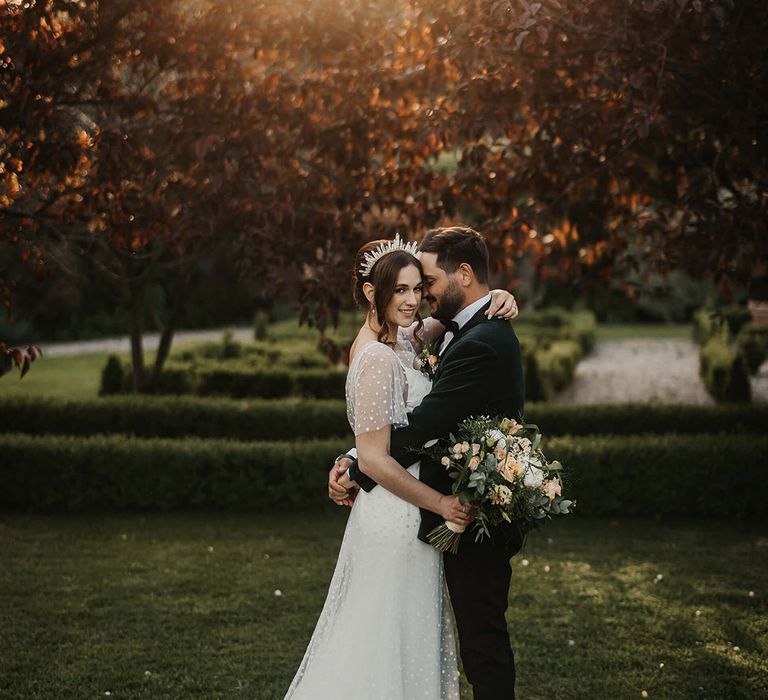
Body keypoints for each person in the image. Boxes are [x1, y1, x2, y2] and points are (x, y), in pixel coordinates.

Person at [284, 233, 518, 700]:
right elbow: (376, 452)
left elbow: (451, 321)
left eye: (420, 286)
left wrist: (499, 294)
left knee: (413, 631)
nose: (416, 300)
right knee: (381, 631)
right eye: (403, 290)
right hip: (397, 512)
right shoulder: (374, 356)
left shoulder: (409, 336)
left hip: (411, 510)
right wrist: (438, 501)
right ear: (373, 292)